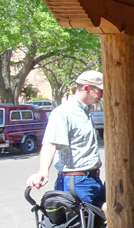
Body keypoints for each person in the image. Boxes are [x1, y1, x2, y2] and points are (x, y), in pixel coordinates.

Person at [26, 70, 105, 207]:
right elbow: (50, 143)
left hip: (92, 179)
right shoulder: (64, 112)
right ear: (87, 88)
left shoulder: (85, 112)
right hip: (76, 181)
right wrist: (42, 171)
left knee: (103, 223)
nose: (102, 95)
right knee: (82, 226)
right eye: (99, 90)